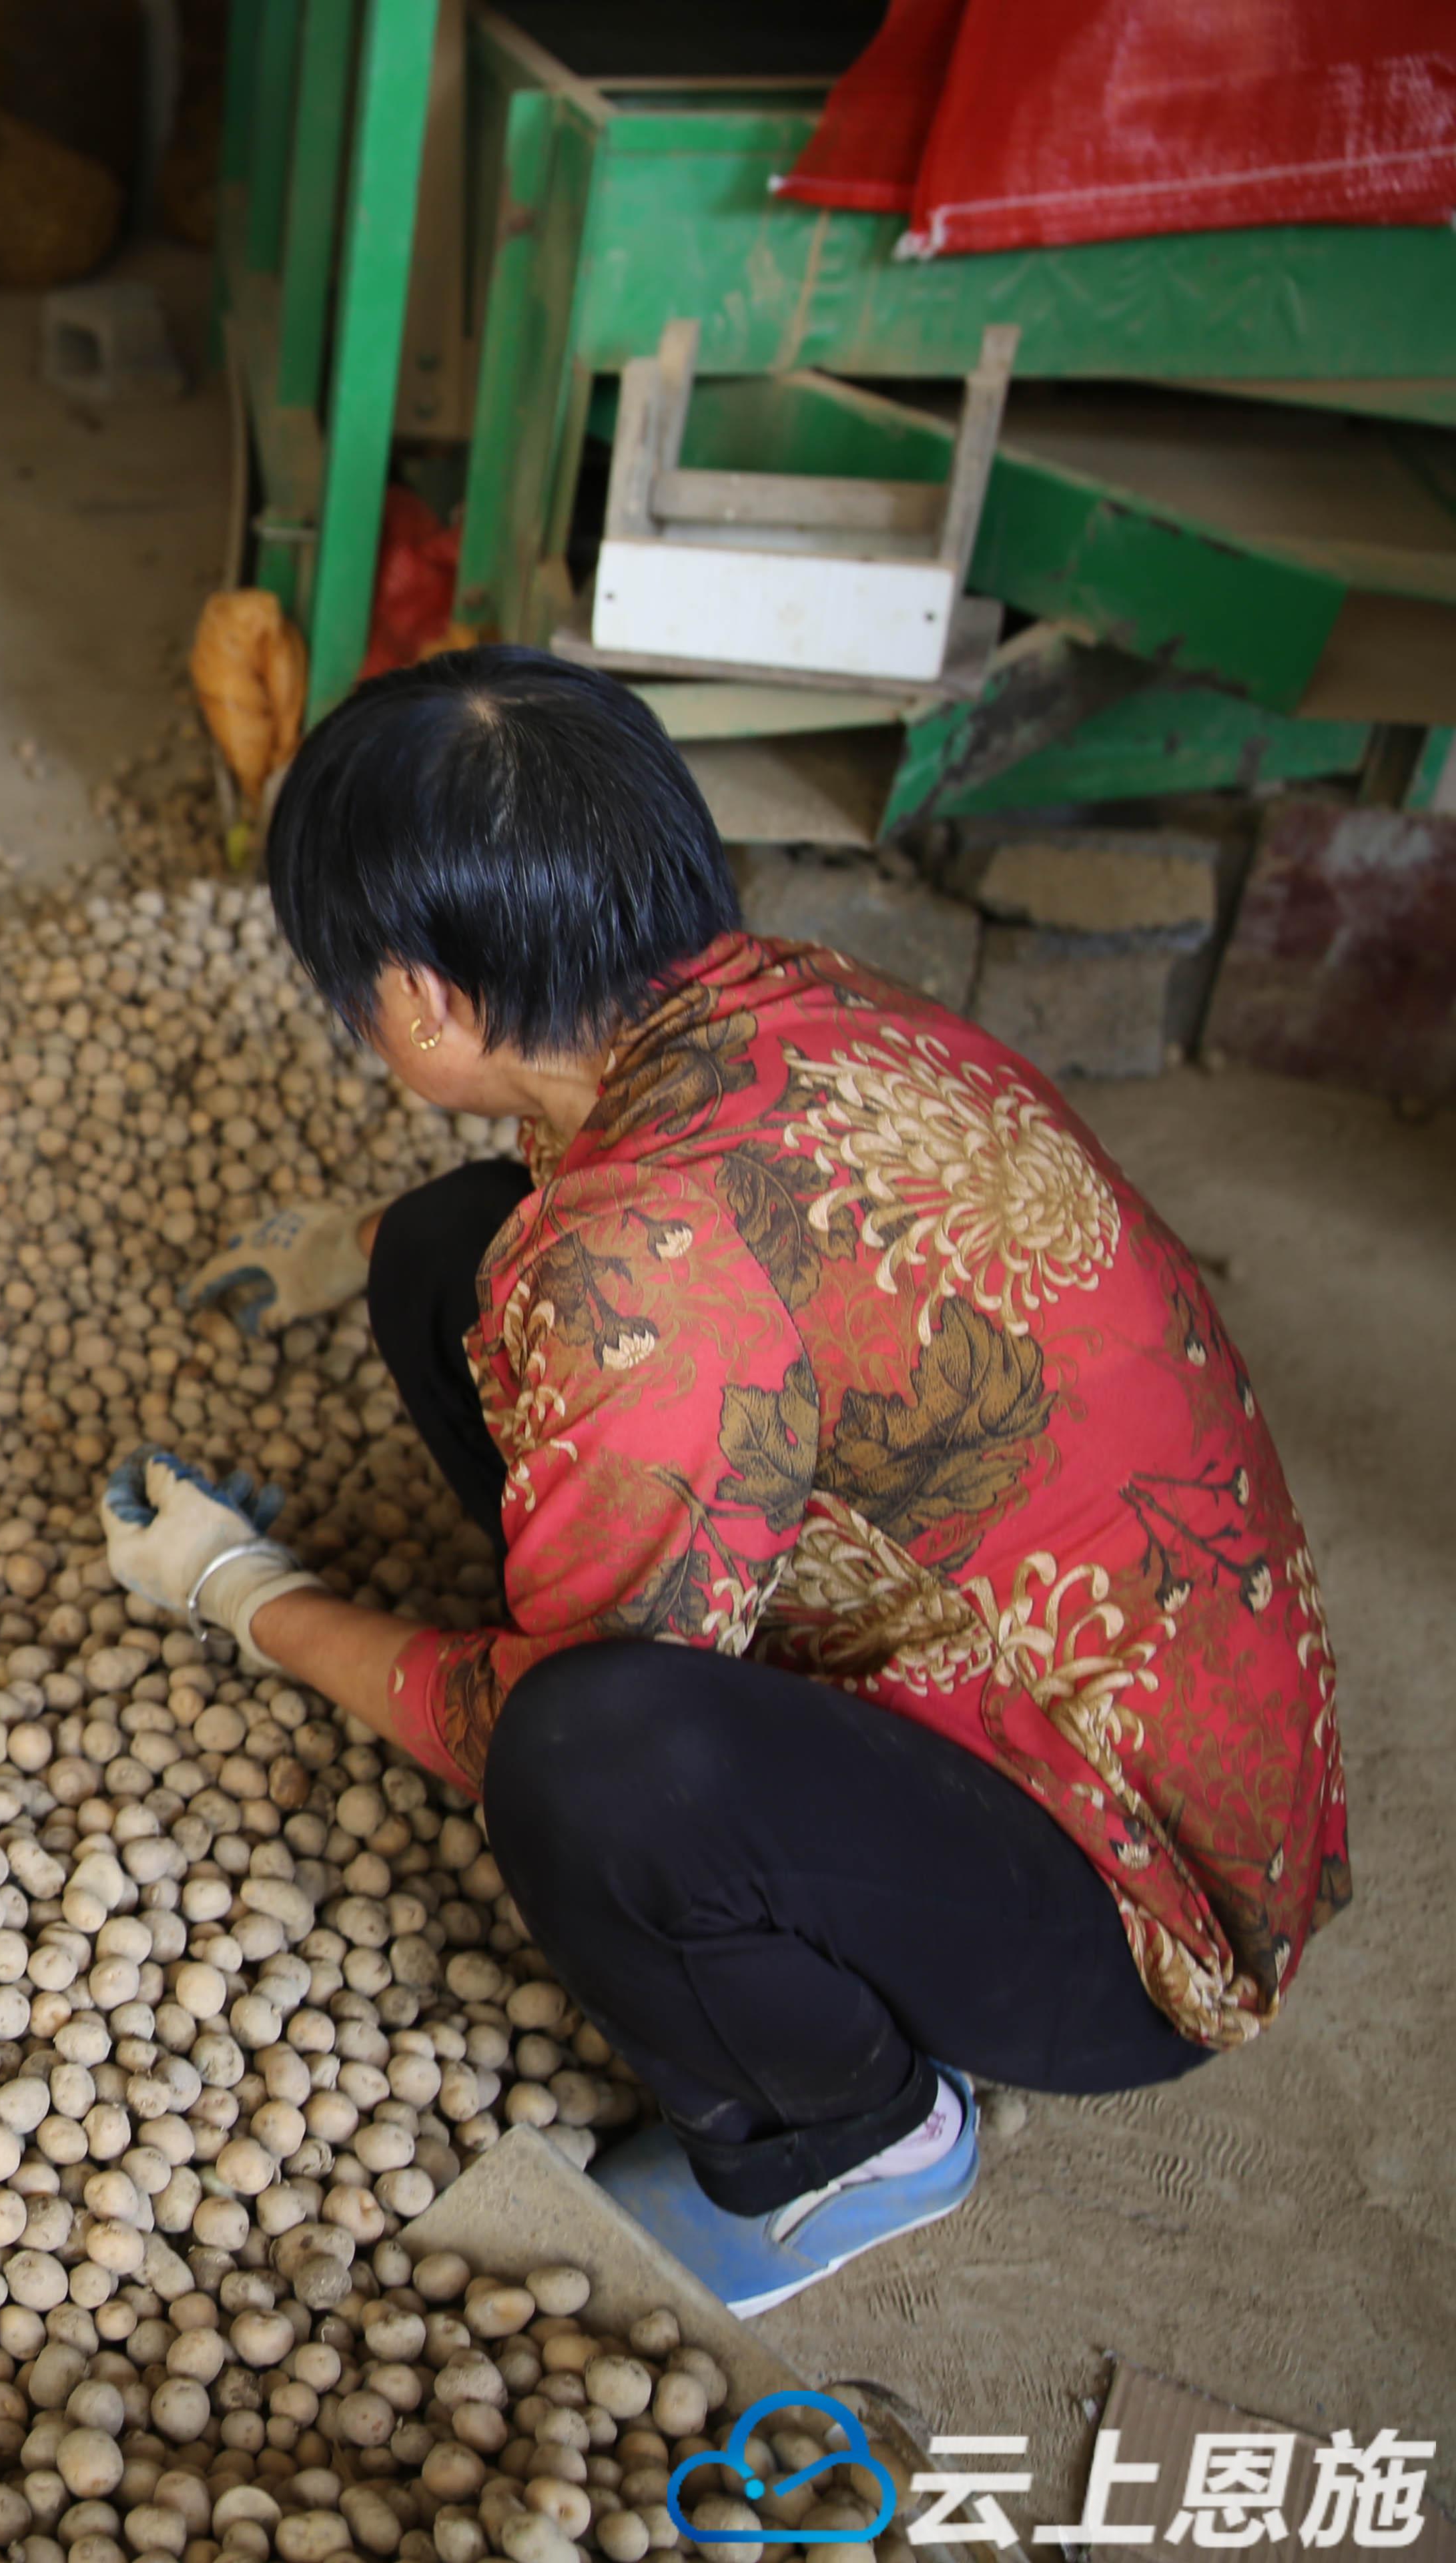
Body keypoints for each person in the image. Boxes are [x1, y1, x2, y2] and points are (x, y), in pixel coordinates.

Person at [107, 646, 1348, 2315]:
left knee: (593, 1759)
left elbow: (538, 1717)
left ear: (423, 1006)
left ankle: (852, 2139)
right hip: (1146, 1696)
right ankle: (738, 1797)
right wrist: (357, 1247)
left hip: (1130, 1907)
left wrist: (247, 1596)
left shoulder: (639, 1274)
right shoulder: (788, 996)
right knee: (436, 1254)